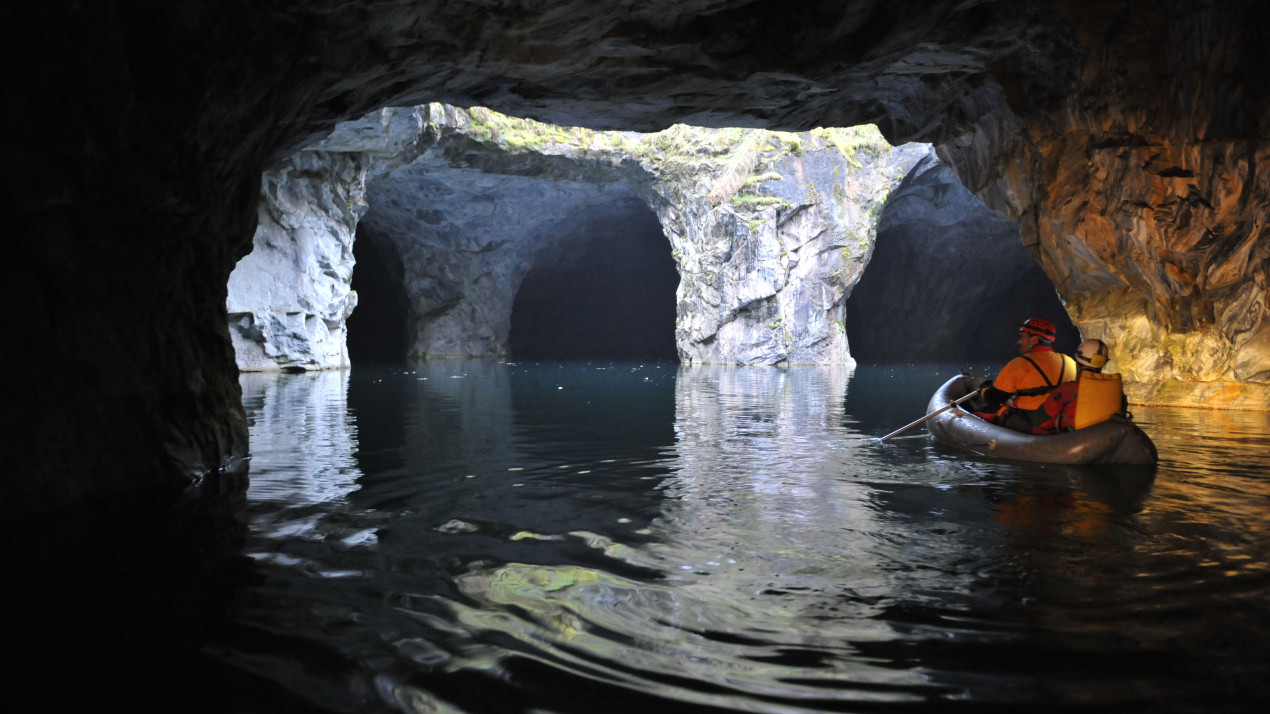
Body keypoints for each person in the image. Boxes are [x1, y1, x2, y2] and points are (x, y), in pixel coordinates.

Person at [976, 317, 1077, 433]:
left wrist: (984, 389)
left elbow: (995, 398)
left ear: (1033, 340)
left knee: (985, 409)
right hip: (1060, 419)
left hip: (1031, 420)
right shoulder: (1070, 362)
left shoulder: (1018, 364)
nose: (1018, 342)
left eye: (1022, 337)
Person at [1032, 338, 1128, 434]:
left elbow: (1041, 420)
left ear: (1077, 363)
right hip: (1107, 441)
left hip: (1072, 441)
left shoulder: (1068, 389)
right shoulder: (1117, 391)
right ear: (1103, 365)